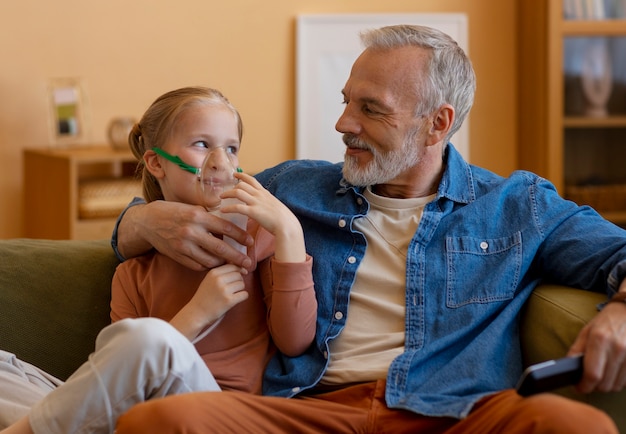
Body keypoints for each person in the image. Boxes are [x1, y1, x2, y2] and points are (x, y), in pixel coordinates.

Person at [111, 25, 625, 433]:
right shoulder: (291, 187)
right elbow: (183, 196)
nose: (342, 123)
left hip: (453, 414)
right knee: (158, 423)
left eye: (370, 109)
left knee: (576, 425)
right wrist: (141, 218)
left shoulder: (517, 205)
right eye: (346, 101)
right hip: (310, 409)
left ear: (437, 123)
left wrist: (621, 312)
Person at [0, 86, 316, 434]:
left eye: (231, 148)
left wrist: (289, 233)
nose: (220, 161)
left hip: (221, 414)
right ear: (155, 162)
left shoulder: (257, 239)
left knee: (146, 338)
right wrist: (197, 314)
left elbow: (295, 341)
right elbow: (118, 373)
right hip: (141, 415)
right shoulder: (133, 272)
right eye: (201, 144)